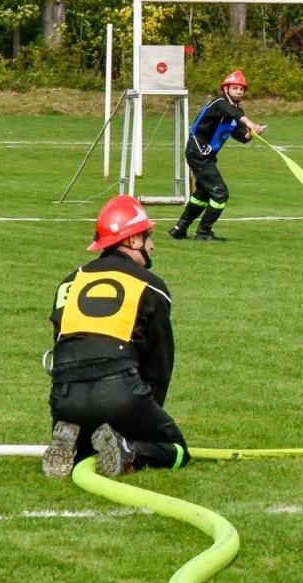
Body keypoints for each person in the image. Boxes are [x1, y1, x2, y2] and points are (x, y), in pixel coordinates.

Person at [42, 194, 189, 479]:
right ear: (132, 241)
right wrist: (145, 413)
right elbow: (159, 364)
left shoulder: (69, 282)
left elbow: (60, 345)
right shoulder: (152, 287)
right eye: (147, 237)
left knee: (91, 449)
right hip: (120, 390)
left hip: (66, 395)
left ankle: (74, 443)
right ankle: (128, 450)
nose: (152, 245)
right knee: (176, 450)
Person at [170, 68, 266, 241]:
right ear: (226, 88)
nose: (239, 91)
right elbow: (233, 113)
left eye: (242, 89)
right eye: (235, 88)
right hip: (198, 152)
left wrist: (253, 133)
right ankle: (204, 232)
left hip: (206, 156)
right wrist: (251, 123)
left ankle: (180, 228)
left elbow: (241, 136)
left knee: (204, 193)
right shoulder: (219, 102)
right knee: (220, 193)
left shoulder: (233, 112)